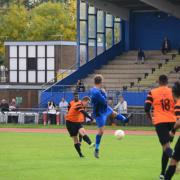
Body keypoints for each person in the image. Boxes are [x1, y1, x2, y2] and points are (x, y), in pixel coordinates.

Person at [90, 74, 131, 158]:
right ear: (101, 82)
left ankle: (125, 120)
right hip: (99, 112)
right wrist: (104, 93)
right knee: (101, 131)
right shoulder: (97, 92)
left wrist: (102, 92)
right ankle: (96, 149)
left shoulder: (94, 90)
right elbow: (104, 101)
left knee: (114, 113)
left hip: (104, 109)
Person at [144, 75, 176, 180]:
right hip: (172, 122)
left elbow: (146, 108)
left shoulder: (152, 92)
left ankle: (176, 156)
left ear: (159, 82)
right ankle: (163, 173)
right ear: (167, 82)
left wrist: (151, 119)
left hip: (160, 122)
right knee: (166, 148)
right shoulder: (172, 91)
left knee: (166, 148)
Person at [165, 82, 180, 180]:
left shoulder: (178, 104)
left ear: (173, 94)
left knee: (174, 160)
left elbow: (179, 121)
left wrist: (173, 130)